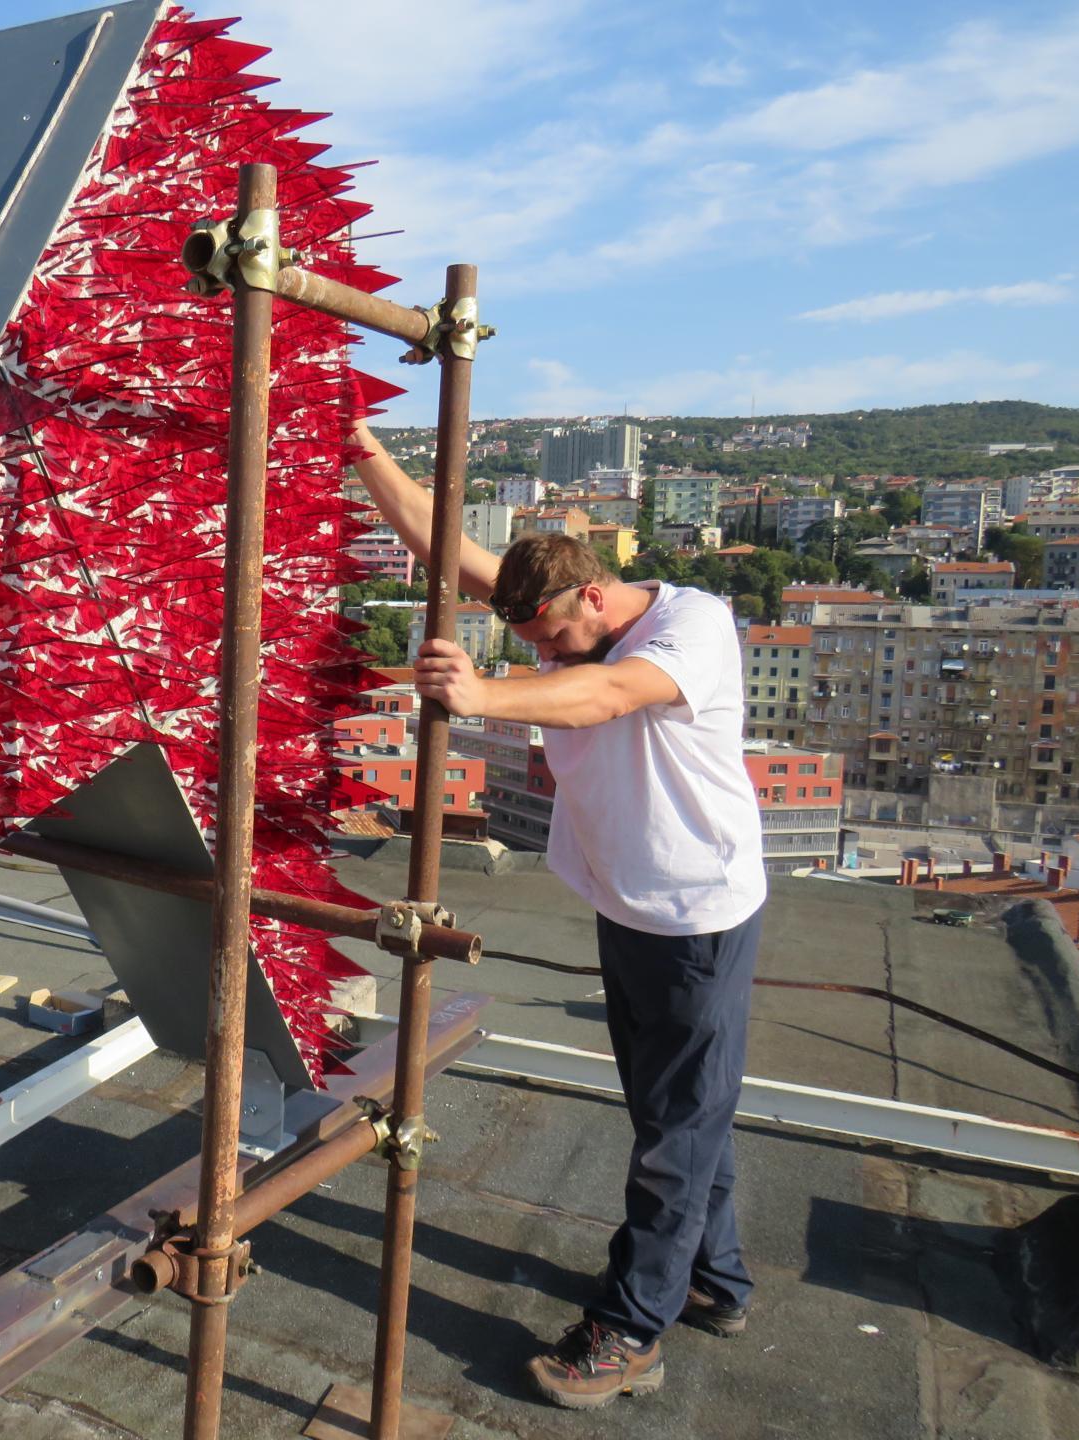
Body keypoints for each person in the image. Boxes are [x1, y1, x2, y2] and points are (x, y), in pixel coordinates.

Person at [353, 424, 765, 1410]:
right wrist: (357, 441)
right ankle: (716, 1277)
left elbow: (608, 692)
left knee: (673, 1131)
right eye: (528, 645)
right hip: (634, 907)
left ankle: (632, 1329)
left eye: (550, 640)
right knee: (679, 1113)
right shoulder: (564, 604)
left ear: (594, 594)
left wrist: (492, 689)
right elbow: (439, 542)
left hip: (696, 918)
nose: (546, 654)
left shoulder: (688, 628)